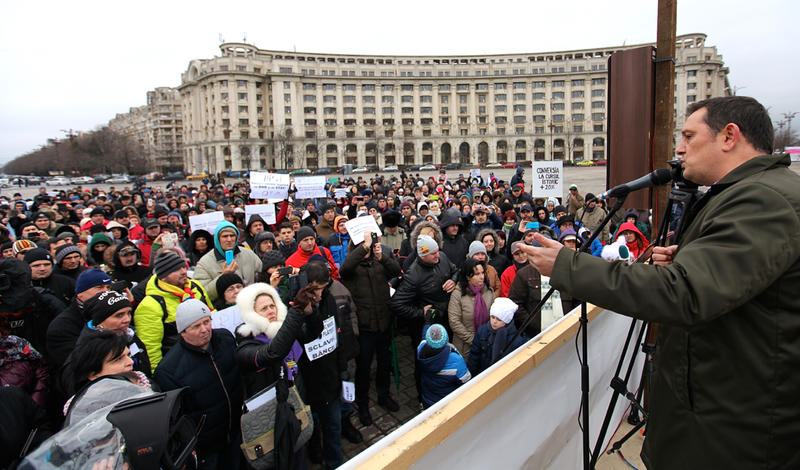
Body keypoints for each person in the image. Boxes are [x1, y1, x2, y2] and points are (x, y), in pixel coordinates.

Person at [519, 96, 800, 470]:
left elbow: (684, 293)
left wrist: (570, 266)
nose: (679, 149)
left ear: (729, 136)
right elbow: (720, 283)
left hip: (734, 434)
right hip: (719, 414)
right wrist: (686, 260)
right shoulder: (747, 194)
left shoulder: (764, 200)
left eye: (688, 135)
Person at [154, 299, 243, 470]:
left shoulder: (225, 338)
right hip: (206, 448)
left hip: (235, 431)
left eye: (206, 322)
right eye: (196, 326)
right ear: (182, 332)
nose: (204, 330)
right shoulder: (168, 370)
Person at [340, 229, 402, 427]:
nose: (368, 249)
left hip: (383, 321)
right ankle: (363, 403)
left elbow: (396, 271)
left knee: (384, 364)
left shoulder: (379, 261)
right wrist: (364, 247)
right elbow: (344, 269)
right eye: (363, 246)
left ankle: (384, 395)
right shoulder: (352, 267)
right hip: (365, 326)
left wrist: (381, 256)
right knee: (364, 368)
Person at [389, 234, 458, 405]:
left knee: (448, 354)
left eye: (437, 251)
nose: (437, 256)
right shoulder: (413, 275)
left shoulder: (441, 257)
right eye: (433, 254)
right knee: (425, 362)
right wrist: (421, 312)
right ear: (422, 255)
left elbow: (455, 269)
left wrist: (453, 280)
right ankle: (423, 398)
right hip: (428, 324)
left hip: (447, 316)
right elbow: (396, 303)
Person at [134, 251, 213, 372]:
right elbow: (151, 349)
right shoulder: (151, 305)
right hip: (181, 366)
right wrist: (160, 377)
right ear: (163, 276)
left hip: (209, 353)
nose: (183, 271)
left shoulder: (195, 286)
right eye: (176, 270)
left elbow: (212, 312)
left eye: (183, 267)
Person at [194, 220, 262, 301]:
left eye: (232, 235)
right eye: (225, 236)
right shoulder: (204, 263)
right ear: (217, 239)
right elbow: (202, 293)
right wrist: (223, 277)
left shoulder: (249, 254)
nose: (229, 239)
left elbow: (261, 276)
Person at [467, 297, 528, 376]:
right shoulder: (482, 331)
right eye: (492, 317)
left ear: (507, 320)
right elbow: (474, 355)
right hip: (482, 374)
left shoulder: (516, 340)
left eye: (499, 319)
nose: (494, 321)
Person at [448, 258, 495, 359]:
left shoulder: (488, 291)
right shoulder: (458, 294)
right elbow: (454, 322)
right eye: (477, 274)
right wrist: (474, 339)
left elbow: (494, 314)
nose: (482, 277)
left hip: (486, 342)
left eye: (482, 273)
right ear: (468, 276)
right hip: (465, 347)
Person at [416, 323, 470, 408]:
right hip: (447, 402)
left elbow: (423, 339)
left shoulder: (421, 351)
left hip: (427, 398)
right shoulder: (456, 360)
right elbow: (466, 381)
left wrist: (426, 323)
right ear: (446, 339)